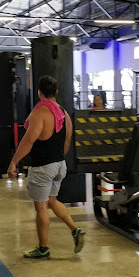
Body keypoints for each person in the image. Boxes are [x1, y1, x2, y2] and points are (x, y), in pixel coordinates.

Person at [7, 75, 86, 259]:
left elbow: (28, 141)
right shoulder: (64, 114)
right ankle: (75, 230)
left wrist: (13, 162)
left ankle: (43, 249)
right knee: (52, 201)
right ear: (56, 92)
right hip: (60, 165)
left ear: (39, 92)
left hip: (43, 167)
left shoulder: (40, 113)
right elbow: (67, 141)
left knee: (41, 207)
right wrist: (57, 160)